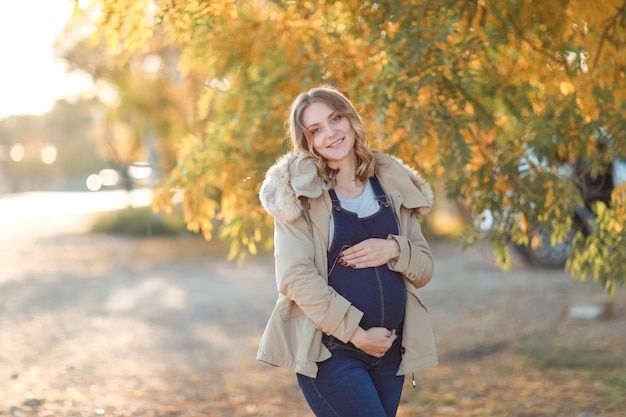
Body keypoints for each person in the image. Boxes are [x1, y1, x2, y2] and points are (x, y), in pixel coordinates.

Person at [257, 85, 437, 417]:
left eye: (335, 118)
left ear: (351, 119)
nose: (331, 133)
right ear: (307, 141)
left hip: (389, 351)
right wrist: (356, 334)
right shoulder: (299, 196)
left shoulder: (391, 183)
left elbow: (424, 268)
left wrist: (392, 249)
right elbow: (295, 278)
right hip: (330, 352)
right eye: (316, 129)